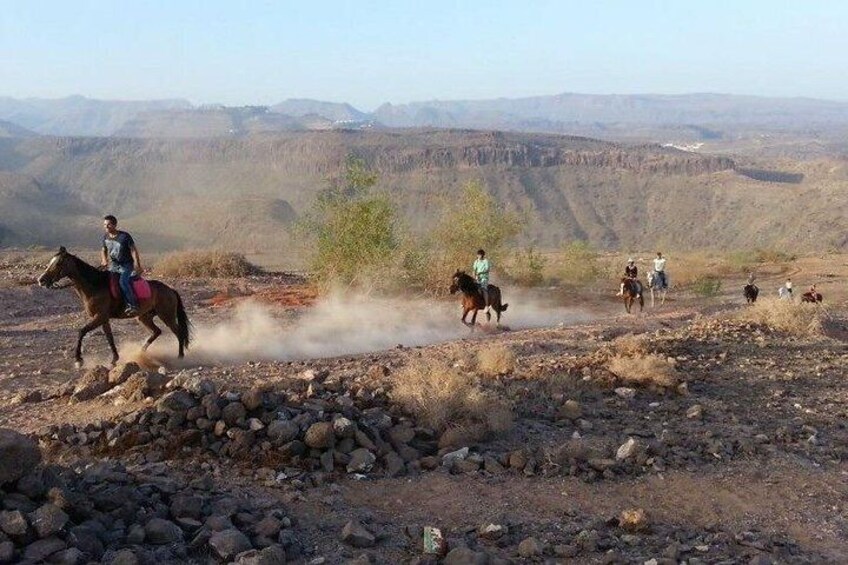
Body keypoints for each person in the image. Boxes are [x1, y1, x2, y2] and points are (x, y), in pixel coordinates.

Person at [101, 215, 143, 316]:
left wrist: (137, 264)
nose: (106, 227)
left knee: (123, 282)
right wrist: (104, 260)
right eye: (104, 225)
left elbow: (133, 250)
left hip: (126, 265)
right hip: (114, 265)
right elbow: (103, 250)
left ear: (115, 225)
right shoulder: (105, 237)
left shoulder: (124, 236)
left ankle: (133, 305)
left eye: (109, 224)